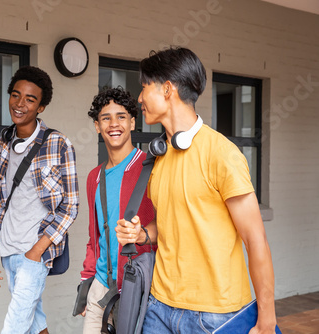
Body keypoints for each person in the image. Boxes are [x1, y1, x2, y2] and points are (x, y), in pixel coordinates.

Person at [116, 47, 277, 333]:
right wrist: (142, 234)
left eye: (144, 88)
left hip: (213, 314)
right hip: (159, 305)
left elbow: (256, 240)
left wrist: (266, 320)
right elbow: (168, 224)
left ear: (167, 89)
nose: (139, 98)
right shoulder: (157, 158)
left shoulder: (222, 154)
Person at [0, 66, 79, 334]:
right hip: (8, 249)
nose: (20, 104)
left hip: (35, 251)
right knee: (36, 323)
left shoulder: (58, 143)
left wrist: (37, 250)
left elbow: (70, 206)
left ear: (41, 107)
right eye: (16, 95)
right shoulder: (4, 141)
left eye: (30, 99)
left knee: (14, 326)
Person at [78, 87, 155, 333]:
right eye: (106, 118)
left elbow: (169, 228)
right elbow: (95, 238)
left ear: (133, 123)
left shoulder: (152, 169)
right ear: (97, 125)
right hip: (100, 288)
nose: (114, 124)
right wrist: (86, 285)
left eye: (121, 116)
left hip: (139, 287)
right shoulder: (94, 177)